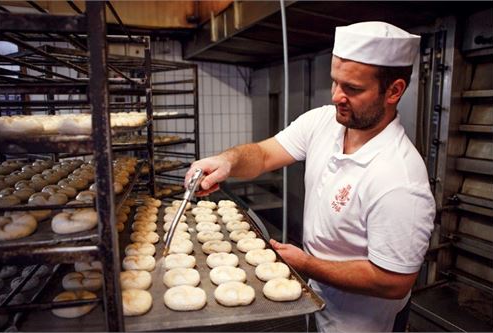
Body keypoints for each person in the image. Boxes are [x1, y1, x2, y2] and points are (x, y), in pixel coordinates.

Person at [185, 21, 436, 332]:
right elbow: (263, 155)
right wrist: (226, 161)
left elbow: (393, 282)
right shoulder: (323, 123)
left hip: (363, 320)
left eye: (353, 89)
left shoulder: (400, 179)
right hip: (318, 297)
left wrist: (306, 264)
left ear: (394, 91)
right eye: (335, 82)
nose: (336, 96)